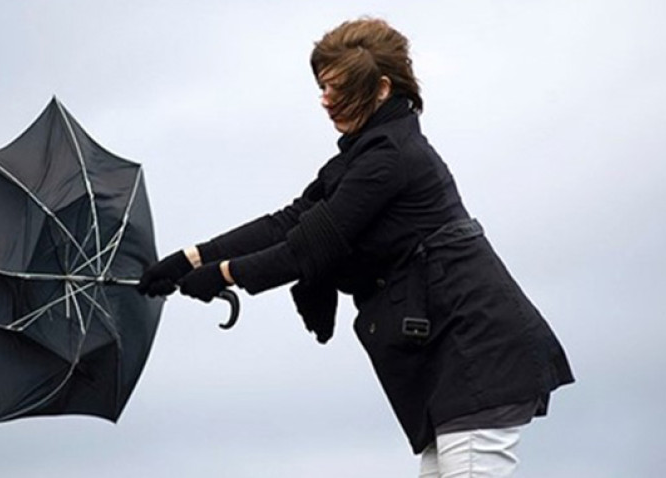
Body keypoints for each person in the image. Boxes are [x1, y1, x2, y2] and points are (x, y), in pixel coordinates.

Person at [138, 17, 574, 477]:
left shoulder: (390, 159)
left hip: (479, 357)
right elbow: (287, 222)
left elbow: (304, 249)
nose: (324, 100)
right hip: (453, 368)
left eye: (337, 87)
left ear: (382, 88)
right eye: (323, 86)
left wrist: (221, 275)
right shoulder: (362, 156)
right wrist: (190, 259)